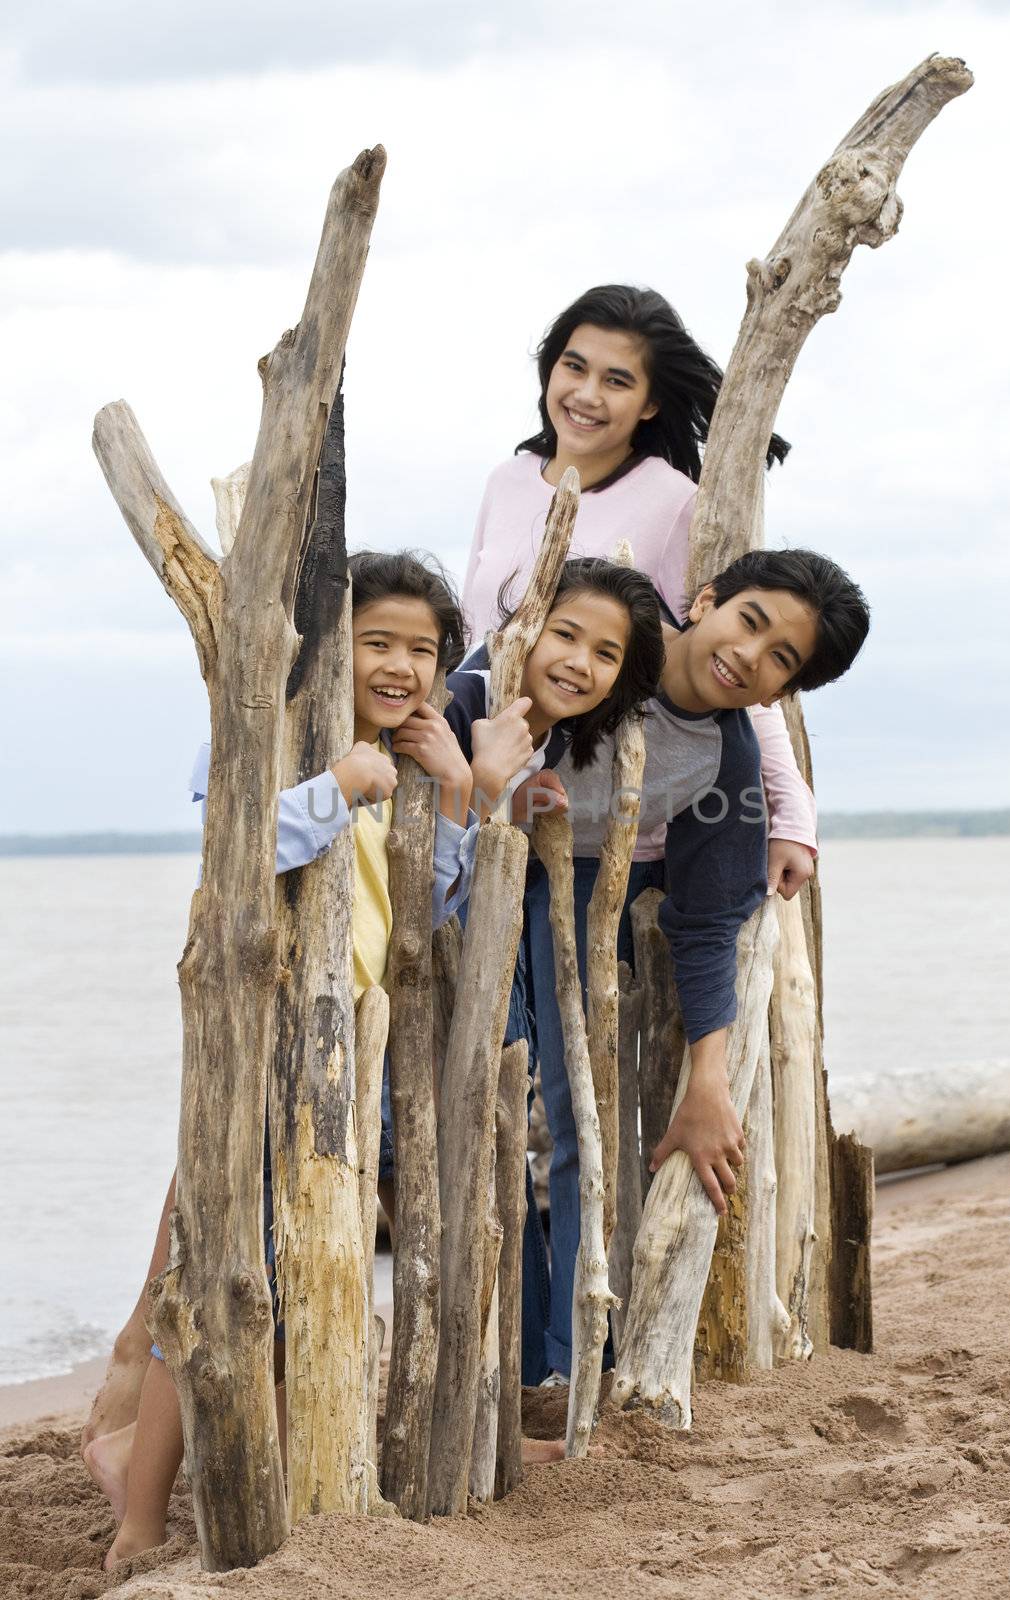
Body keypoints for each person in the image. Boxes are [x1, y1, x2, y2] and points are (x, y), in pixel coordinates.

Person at [94, 550, 486, 1569]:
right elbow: (232, 846)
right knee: (222, 1287)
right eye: (378, 642)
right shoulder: (259, 740)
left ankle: (275, 1499)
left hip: (352, 1057)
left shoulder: (398, 770)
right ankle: (137, 1514)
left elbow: (425, 915)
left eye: (423, 649)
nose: (401, 664)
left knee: (314, 1282)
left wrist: (451, 797)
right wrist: (329, 786)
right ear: (325, 648)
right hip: (262, 1050)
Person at [519, 547, 871, 1383]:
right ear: (706, 600)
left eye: (781, 658)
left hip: (591, 885)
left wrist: (707, 1081)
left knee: (585, 1125)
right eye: (749, 622)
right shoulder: (602, 645)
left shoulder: (726, 759)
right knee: (479, 1109)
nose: (750, 655)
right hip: (483, 868)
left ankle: (566, 1369)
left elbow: (709, 921)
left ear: (783, 693)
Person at [461, 282, 818, 901]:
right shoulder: (507, 480)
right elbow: (472, 639)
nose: (586, 395)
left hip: (587, 825)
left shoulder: (674, 502)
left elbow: (727, 660)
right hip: (477, 795)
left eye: (618, 381)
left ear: (651, 403)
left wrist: (790, 816)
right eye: (574, 367)